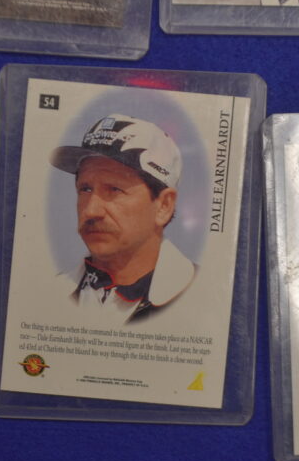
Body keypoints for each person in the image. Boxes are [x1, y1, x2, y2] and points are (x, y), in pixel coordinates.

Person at [49, 114, 196, 324]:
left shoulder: (201, 297)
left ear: (164, 206)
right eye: (85, 189)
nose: (91, 211)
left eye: (114, 189)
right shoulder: (48, 293)